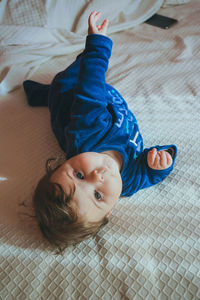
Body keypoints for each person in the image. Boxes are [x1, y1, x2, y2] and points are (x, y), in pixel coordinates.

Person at [23, 11, 177, 253]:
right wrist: (160, 165)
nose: (98, 176)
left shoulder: (88, 129)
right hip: (99, 98)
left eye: (79, 175)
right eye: (97, 196)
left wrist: (97, 44)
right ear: (109, 211)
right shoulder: (129, 182)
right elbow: (151, 175)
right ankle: (40, 94)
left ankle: (45, 94)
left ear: (63, 162)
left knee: (67, 81)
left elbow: (90, 85)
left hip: (70, 90)